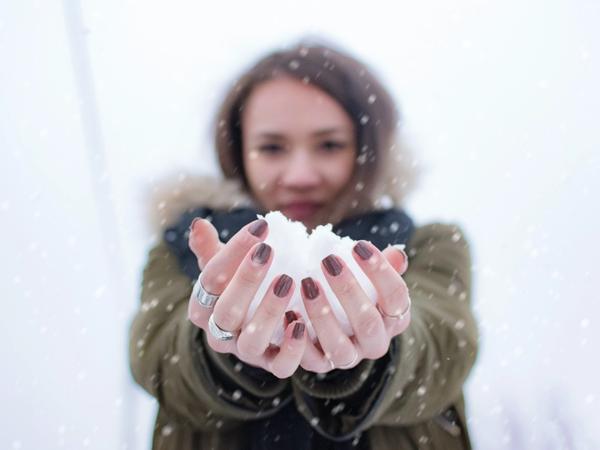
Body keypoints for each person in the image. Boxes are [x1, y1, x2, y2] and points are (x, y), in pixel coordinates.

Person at [128, 37, 479, 450]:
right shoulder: (183, 248)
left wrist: (376, 348)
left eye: (329, 145)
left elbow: (443, 351)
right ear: (239, 152)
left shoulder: (428, 245)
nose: (299, 174)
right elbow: (158, 363)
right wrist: (220, 352)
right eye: (272, 147)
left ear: (368, 149)